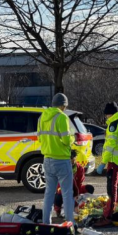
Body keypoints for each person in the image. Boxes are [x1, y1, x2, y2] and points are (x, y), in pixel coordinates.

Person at [38, 93, 76, 225]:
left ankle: (46, 223)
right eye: (65, 106)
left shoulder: (42, 117)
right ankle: (70, 222)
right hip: (61, 160)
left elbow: (39, 137)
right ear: (62, 105)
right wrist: (73, 138)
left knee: (49, 193)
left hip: (47, 159)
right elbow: (66, 140)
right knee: (66, 193)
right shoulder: (61, 117)